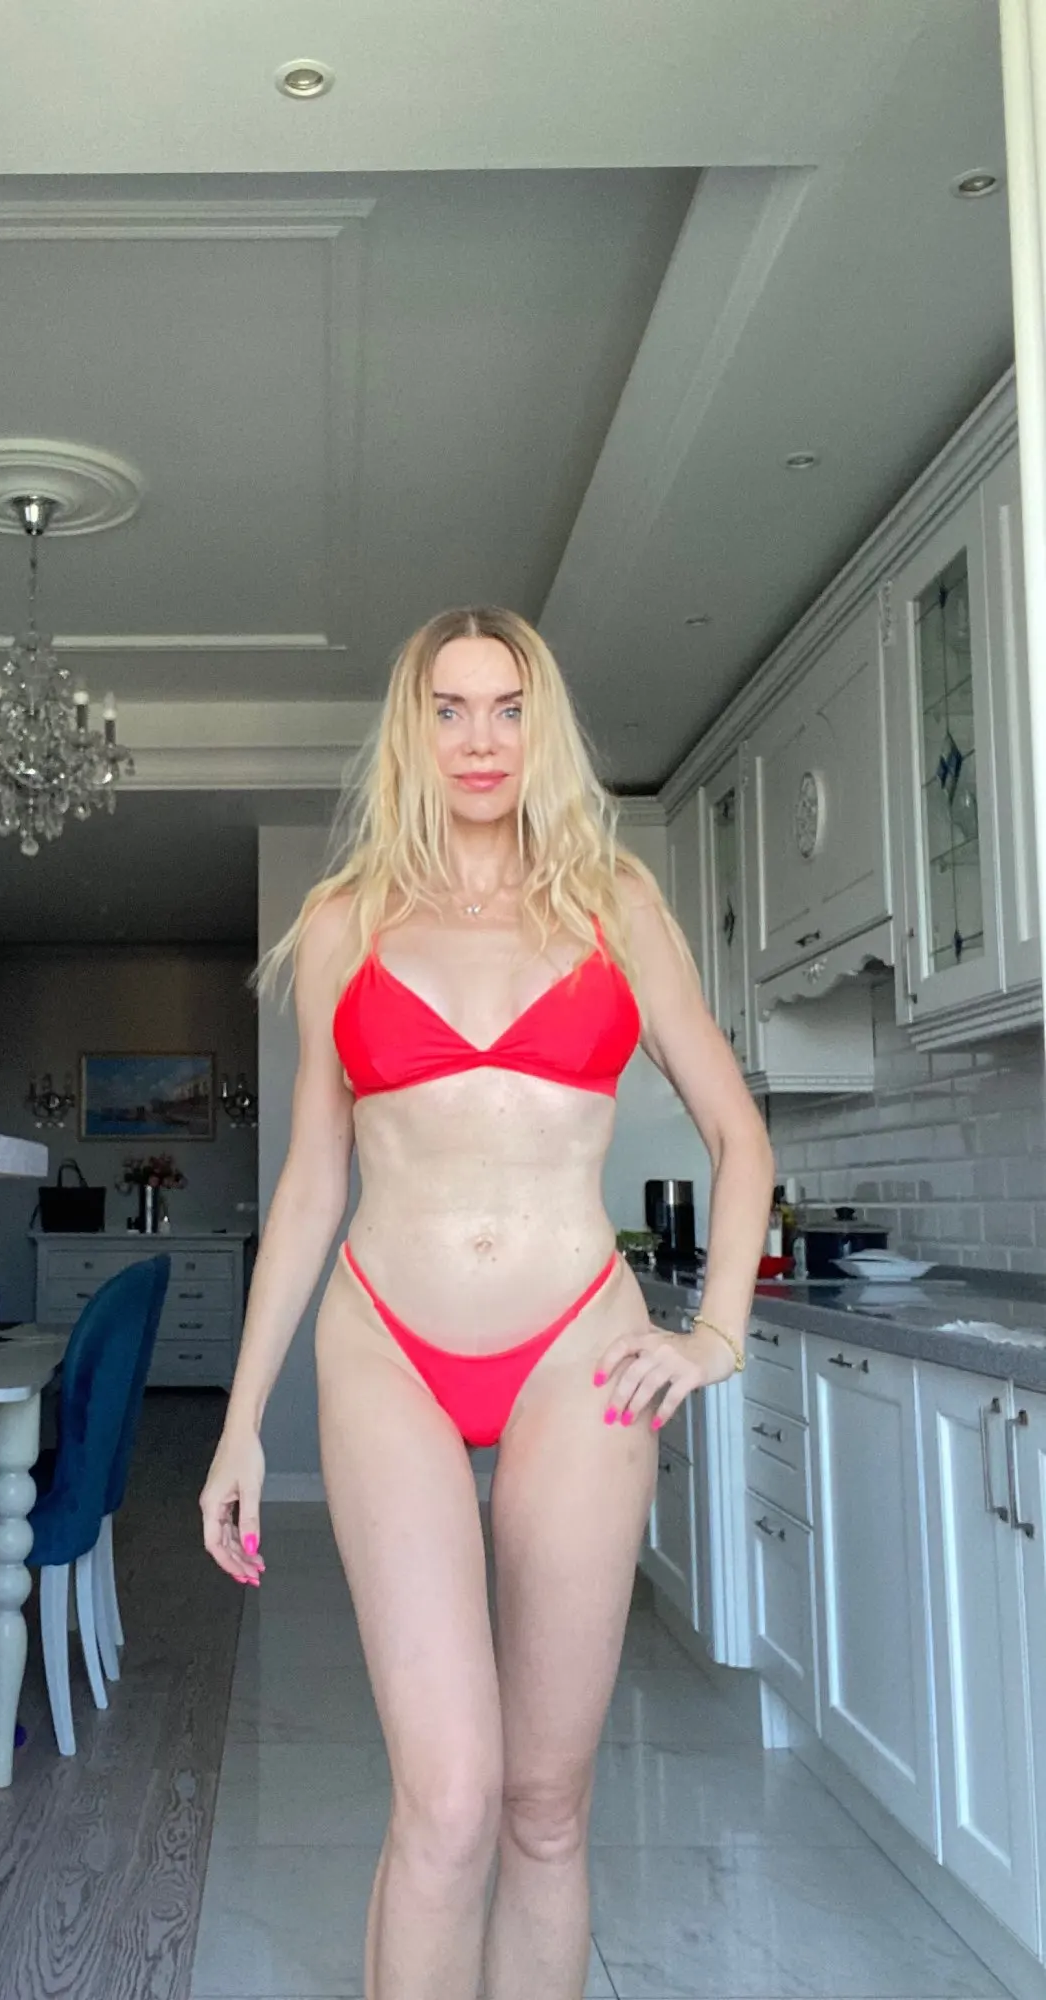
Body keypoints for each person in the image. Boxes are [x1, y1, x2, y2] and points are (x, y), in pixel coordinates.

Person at [198, 606, 772, 2000]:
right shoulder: (342, 923)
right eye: (449, 709)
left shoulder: (615, 903)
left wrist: (716, 1334)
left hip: (578, 1343)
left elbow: (739, 1136)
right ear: (413, 730)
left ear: (541, 727)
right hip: (385, 1344)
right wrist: (239, 1422)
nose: (480, 739)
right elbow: (313, 1181)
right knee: (448, 1801)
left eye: (508, 708)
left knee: (545, 1803)